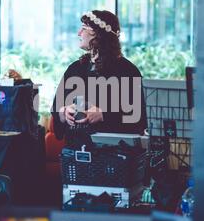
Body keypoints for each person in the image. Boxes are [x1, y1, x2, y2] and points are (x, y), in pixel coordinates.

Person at [51, 10, 147, 143]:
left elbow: (139, 118)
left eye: (83, 29)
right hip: (75, 151)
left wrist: (103, 115)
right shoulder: (75, 69)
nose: (79, 33)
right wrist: (65, 112)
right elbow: (57, 108)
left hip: (113, 154)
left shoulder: (127, 71)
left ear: (98, 34)